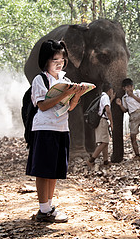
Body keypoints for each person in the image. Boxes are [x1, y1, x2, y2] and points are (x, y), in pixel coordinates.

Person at [26, 39, 88, 223]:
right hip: (45, 129)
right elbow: (43, 106)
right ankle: (43, 209)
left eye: (62, 58)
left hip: (61, 128)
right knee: (43, 170)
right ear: (46, 60)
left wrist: (76, 94)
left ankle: (49, 207)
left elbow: (69, 108)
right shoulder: (40, 79)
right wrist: (65, 93)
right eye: (55, 59)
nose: (59, 62)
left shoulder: (65, 80)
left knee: (54, 170)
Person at [116, 78, 140, 160]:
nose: (130, 88)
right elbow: (125, 110)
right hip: (133, 116)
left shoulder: (137, 92)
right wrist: (120, 104)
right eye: (127, 87)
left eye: (131, 86)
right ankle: (137, 155)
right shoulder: (124, 98)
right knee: (133, 135)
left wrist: (133, 96)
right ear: (124, 88)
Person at [87, 82, 115, 167]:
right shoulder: (105, 97)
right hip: (103, 121)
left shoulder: (102, 97)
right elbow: (108, 110)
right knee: (104, 142)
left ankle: (106, 161)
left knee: (104, 141)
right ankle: (91, 160)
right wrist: (112, 123)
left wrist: (112, 99)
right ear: (110, 90)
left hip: (100, 120)